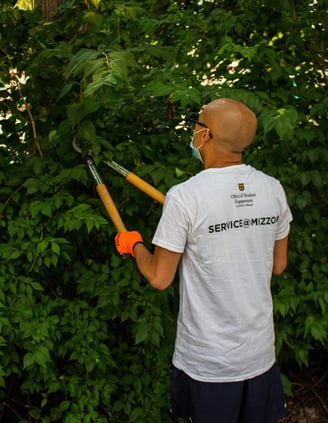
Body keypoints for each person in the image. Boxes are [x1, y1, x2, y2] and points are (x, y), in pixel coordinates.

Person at [115, 98, 293, 423]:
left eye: (197, 125)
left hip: (208, 364)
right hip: (259, 355)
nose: (194, 132)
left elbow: (159, 277)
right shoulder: (273, 189)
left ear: (206, 135)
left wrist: (135, 244)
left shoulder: (185, 197)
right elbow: (278, 265)